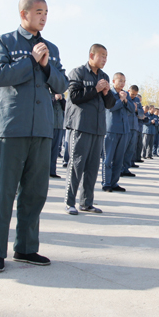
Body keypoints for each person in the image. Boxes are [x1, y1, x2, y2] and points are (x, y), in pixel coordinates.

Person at [0, 0, 68, 273]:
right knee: (4, 192)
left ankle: (25, 247)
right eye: (38, 11)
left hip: (42, 127)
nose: (43, 17)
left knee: (35, 193)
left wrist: (46, 65)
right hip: (12, 126)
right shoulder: (5, 42)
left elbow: (62, 83)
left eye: (46, 12)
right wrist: (31, 62)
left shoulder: (51, 48)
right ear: (23, 15)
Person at [63, 43, 115, 214]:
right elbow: (75, 96)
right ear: (91, 56)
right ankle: (69, 202)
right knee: (76, 165)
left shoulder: (104, 76)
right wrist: (95, 89)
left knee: (92, 168)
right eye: (102, 55)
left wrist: (107, 93)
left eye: (106, 56)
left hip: (98, 128)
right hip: (81, 126)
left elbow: (110, 105)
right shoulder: (78, 72)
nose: (105, 59)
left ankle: (86, 202)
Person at [102, 72, 134, 192]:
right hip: (111, 130)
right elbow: (110, 108)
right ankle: (106, 183)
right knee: (108, 158)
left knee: (119, 159)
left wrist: (125, 100)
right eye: (120, 80)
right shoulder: (108, 93)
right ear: (114, 82)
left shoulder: (125, 94)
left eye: (124, 81)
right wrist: (120, 100)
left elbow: (132, 109)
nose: (122, 83)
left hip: (124, 130)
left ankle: (114, 183)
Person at [50, 91, 66, 178]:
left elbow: (65, 108)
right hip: (49, 125)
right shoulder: (48, 93)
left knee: (55, 150)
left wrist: (62, 99)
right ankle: (45, 171)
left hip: (59, 125)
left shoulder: (62, 94)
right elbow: (46, 106)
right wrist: (55, 99)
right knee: (47, 150)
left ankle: (52, 171)